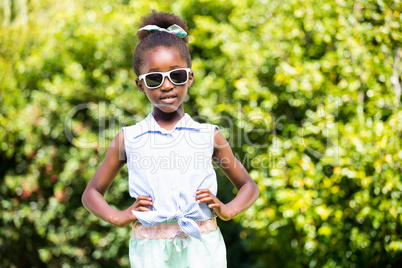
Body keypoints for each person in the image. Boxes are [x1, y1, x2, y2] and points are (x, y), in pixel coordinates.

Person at [81, 11, 259, 268]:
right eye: (154, 78)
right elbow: (91, 194)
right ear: (140, 85)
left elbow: (249, 186)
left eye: (176, 75)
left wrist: (228, 210)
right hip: (150, 253)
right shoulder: (129, 139)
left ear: (189, 78)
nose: (166, 86)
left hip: (203, 248)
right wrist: (118, 216)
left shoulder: (208, 136)